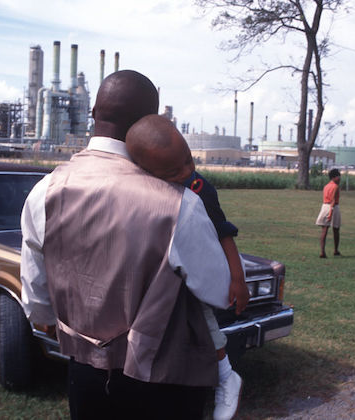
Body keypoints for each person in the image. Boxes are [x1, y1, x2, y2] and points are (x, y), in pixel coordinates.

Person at [20, 70, 233, 420]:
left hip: (85, 374)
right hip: (167, 379)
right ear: (151, 121)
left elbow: (37, 297)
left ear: (93, 114)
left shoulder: (45, 192)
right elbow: (219, 291)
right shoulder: (178, 203)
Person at [126, 114, 250, 420]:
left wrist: (237, 278)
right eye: (173, 171)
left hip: (195, 269)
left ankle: (226, 375)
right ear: (146, 171)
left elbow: (224, 232)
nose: (186, 170)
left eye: (188, 159)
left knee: (203, 319)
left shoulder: (198, 187)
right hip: (159, 274)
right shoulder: (142, 189)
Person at [315, 168, 342, 258]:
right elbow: (333, 201)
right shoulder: (335, 187)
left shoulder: (326, 186)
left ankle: (322, 251)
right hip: (333, 207)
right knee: (336, 230)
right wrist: (331, 213)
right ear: (334, 177)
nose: (340, 178)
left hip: (325, 206)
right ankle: (335, 250)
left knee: (324, 230)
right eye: (338, 176)